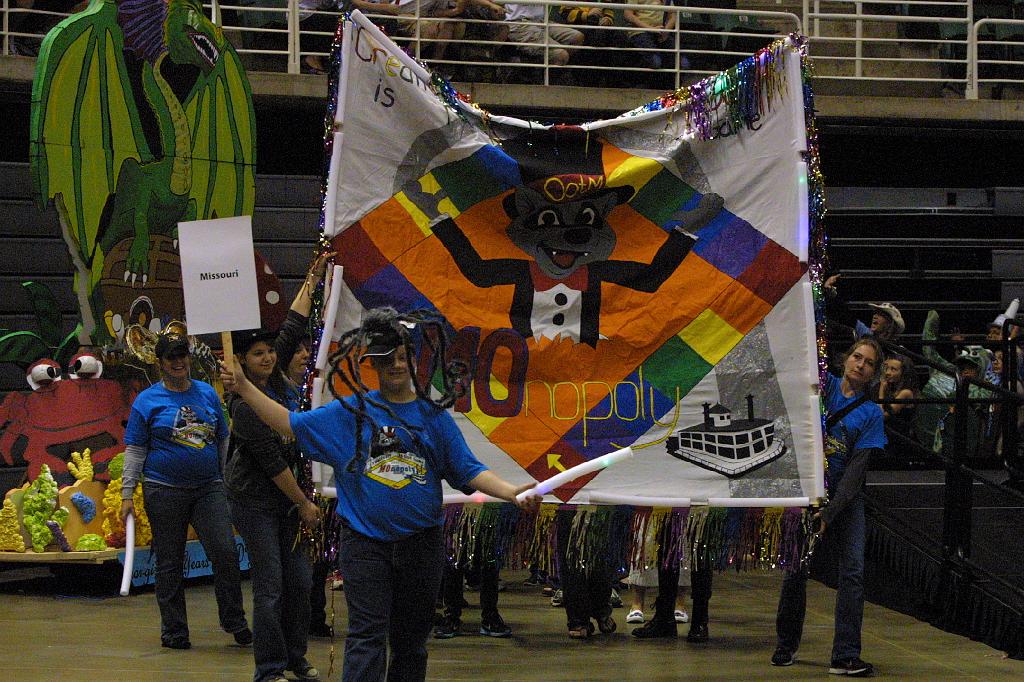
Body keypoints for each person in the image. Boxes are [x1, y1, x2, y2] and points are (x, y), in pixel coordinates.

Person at [220, 307, 541, 681]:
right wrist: (243, 387)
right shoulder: (350, 413)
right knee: (366, 638)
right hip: (365, 546)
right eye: (385, 359)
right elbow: (288, 424)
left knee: (410, 643)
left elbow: (469, 470)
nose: (395, 366)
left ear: (412, 360)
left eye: (402, 357)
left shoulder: (432, 417)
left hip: (422, 546)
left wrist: (512, 491)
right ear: (371, 364)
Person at [120, 331, 251, 651]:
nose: (178, 362)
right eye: (171, 357)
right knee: (169, 562)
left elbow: (222, 440)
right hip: (163, 491)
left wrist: (225, 480)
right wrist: (126, 494)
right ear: (160, 362)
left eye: (182, 356)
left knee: (225, 551)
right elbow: (135, 450)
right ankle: (175, 631)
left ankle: (234, 620)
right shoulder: (147, 401)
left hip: (209, 489)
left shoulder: (207, 394)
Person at [771, 337, 886, 676]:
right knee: (796, 570)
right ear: (845, 358)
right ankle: (785, 645)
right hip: (808, 495)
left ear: (874, 374)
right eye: (856, 356)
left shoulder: (870, 415)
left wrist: (831, 512)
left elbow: (855, 474)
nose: (859, 364)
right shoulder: (823, 385)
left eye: (867, 362)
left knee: (852, 572)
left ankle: (845, 654)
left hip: (845, 502)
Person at [225, 325, 322, 682]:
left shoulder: (281, 385)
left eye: (269, 351)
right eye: (256, 354)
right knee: (271, 586)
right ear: (241, 363)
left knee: (299, 581)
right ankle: (269, 669)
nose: (267, 358)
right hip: (255, 502)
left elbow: (292, 327)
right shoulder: (243, 406)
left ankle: (295, 658)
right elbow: (273, 465)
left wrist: (312, 279)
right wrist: (304, 504)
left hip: (288, 501)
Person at [874, 353, 919, 449]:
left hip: (898, 439)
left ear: (903, 373)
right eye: (887, 368)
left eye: (893, 369)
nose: (888, 372)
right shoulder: (890, 388)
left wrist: (881, 392)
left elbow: (881, 417)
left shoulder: (906, 393)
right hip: (886, 435)